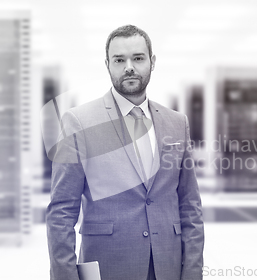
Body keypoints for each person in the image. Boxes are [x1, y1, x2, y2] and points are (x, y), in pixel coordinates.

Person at [46, 24, 204, 280]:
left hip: (168, 266)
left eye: (138, 58)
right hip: (109, 265)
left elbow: (190, 206)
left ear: (152, 62)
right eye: (119, 60)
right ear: (107, 64)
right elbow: (61, 211)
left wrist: (193, 271)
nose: (129, 66)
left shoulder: (177, 123)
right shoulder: (79, 121)